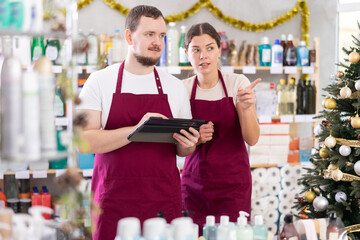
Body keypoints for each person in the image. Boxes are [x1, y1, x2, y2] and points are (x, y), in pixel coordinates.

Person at [78, 5, 200, 240]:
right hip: (113, 201)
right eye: (149, 34)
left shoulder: (174, 87)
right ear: (128, 36)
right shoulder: (100, 81)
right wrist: (136, 130)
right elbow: (84, 142)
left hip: (162, 200)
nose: (157, 42)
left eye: (162, 35)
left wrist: (190, 143)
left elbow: (182, 150)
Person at [181, 22, 261, 231]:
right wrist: (195, 138)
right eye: (195, 50)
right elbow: (176, 146)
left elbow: (252, 139)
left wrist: (246, 108)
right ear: (186, 53)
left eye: (209, 48)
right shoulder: (182, 89)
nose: (203, 56)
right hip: (194, 184)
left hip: (233, 185)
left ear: (219, 50)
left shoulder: (237, 83)